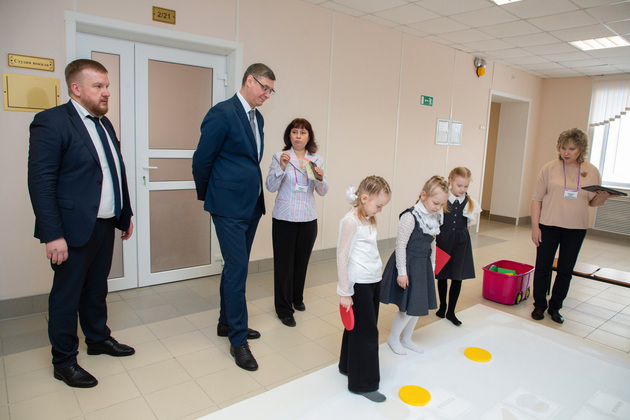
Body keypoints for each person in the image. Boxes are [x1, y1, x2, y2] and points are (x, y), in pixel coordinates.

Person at [27, 59, 135, 388]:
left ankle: (98, 339)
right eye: (98, 86)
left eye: (107, 86)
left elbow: (115, 170)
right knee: (67, 295)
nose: (107, 93)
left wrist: (125, 213)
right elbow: (41, 182)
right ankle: (64, 361)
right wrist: (53, 235)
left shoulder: (104, 124)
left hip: (103, 224)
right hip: (70, 229)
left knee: (96, 288)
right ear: (76, 88)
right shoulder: (52, 122)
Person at [192, 63, 275, 371]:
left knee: (234, 268)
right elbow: (202, 160)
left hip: (251, 204)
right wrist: (212, 197)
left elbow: (250, 160)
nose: (267, 95)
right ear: (249, 81)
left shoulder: (258, 117)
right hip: (228, 206)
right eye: (264, 88)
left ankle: (226, 322)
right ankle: (238, 341)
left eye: (271, 91)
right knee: (238, 270)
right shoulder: (222, 113)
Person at [531, 128, 612, 324]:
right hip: (549, 225)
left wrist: (602, 199)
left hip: (576, 229)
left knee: (565, 270)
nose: (566, 152)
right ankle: (539, 305)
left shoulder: (591, 171)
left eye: (571, 148)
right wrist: (535, 227)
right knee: (543, 267)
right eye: (563, 148)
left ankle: (555, 307)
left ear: (581, 149)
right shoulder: (549, 168)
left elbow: (591, 202)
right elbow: (536, 199)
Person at [265, 118, 329, 327]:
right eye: (294, 132)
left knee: (301, 262)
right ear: (289, 135)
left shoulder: (316, 160)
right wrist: (281, 168)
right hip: (284, 218)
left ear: (309, 137)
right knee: (284, 266)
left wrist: (320, 177)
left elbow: (322, 191)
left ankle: (296, 297)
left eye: (303, 132)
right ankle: (284, 309)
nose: (298, 136)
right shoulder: (280, 157)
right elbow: (270, 186)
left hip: (308, 218)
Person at [380, 175, 450, 355]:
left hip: (422, 266)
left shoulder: (434, 217)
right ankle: (393, 338)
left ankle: (407, 338)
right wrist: (402, 272)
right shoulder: (410, 217)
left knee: (418, 305)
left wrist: (432, 266)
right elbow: (400, 245)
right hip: (408, 265)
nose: (438, 207)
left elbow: (432, 243)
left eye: (441, 204)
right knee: (407, 309)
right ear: (423, 195)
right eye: (435, 203)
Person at [337, 175, 391, 403]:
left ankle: (347, 365)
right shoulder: (351, 221)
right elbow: (342, 256)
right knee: (367, 333)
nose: (380, 210)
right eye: (378, 205)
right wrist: (345, 292)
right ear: (365, 197)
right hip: (358, 283)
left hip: (372, 280)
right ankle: (363, 384)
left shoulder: (368, 218)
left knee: (358, 328)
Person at [435, 167, 481, 326]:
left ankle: (451, 311)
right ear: (450, 181)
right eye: (459, 185)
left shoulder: (470, 202)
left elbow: (468, 225)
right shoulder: (443, 199)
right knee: (442, 275)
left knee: (457, 276)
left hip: (461, 243)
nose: (462, 189)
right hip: (443, 240)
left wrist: (465, 241)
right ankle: (442, 306)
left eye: (466, 186)